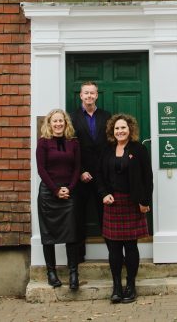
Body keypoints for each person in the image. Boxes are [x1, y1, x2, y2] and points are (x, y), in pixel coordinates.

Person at [95, 113, 153, 305]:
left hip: (132, 202)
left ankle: (131, 285)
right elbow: (99, 175)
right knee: (113, 248)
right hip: (112, 203)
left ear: (130, 130)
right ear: (113, 131)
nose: (120, 131)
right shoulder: (106, 150)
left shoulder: (139, 149)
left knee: (130, 246)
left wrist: (144, 201)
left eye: (123, 128)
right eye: (117, 128)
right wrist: (104, 193)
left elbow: (147, 178)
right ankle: (116, 287)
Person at [36, 108, 82, 290]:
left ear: (66, 123)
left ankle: (73, 273)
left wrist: (69, 188)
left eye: (61, 121)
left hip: (69, 192)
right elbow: (41, 169)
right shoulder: (43, 142)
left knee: (71, 235)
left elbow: (77, 168)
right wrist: (55, 190)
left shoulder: (74, 143)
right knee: (48, 235)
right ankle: (51, 273)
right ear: (49, 123)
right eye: (54, 121)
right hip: (49, 193)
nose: (58, 124)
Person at [68, 81, 111, 265]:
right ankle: (78, 256)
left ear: (97, 95)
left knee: (107, 215)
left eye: (92, 93)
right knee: (79, 216)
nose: (89, 96)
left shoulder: (106, 116)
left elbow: (110, 144)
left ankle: (113, 253)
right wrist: (80, 171)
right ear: (80, 95)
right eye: (86, 93)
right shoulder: (72, 117)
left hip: (103, 174)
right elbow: (71, 148)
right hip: (81, 176)